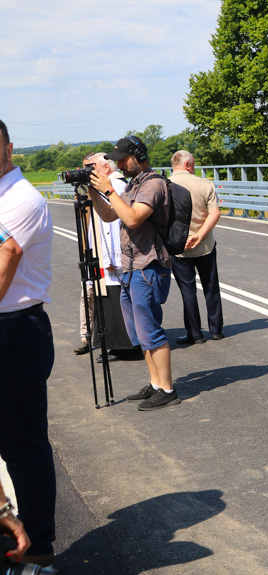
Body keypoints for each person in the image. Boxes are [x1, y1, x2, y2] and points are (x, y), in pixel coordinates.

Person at [87, 136, 180, 411]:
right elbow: (109, 216)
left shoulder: (153, 184)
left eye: (122, 159)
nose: (119, 164)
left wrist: (111, 191)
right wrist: (95, 192)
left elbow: (132, 218)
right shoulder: (133, 185)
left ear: (138, 155)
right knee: (140, 333)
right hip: (130, 268)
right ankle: (154, 384)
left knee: (151, 330)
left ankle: (167, 389)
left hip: (147, 267)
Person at [0, 118, 56, 567]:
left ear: (9, 148)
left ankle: (37, 549)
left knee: (22, 444)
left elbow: (7, 256)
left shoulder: (22, 199)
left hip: (14, 330)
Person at [75, 153, 137, 363]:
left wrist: (111, 258)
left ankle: (123, 346)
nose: (89, 172)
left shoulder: (116, 187)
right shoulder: (108, 187)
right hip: (105, 254)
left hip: (112, 257)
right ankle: (116, 344)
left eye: (93, 167)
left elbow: (112, 226)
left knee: (116, 303)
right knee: (108, 302)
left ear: (106, 169)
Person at [169, 150, 224, 344]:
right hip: (205, 245)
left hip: (179, 247)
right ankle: (216, 330)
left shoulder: (164, 186)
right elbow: (215, 213)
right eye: (193, 165)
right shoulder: (204, 184)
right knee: (211, 287)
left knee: (188, 291)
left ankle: (195, 333)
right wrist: (200, 236)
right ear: (187, 165)